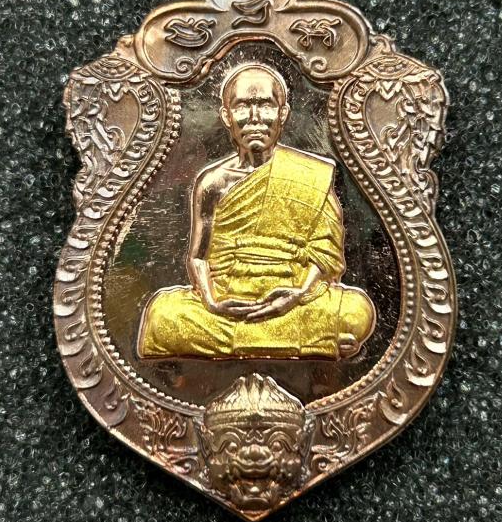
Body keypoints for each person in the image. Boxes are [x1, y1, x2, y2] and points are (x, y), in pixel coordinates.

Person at [137, 62, 375, 359]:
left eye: (265, 105)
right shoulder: (212, 183)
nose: (254, 118)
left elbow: (325, 252)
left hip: (293, 296)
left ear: (283, 113)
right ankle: (312, 342)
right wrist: (212, 302)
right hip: (229, 300)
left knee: (356, 312)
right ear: (226, 116)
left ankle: (263, 339)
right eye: (242, 106)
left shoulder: (309, 174)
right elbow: (198, 257)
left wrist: (298, 293)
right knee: (164, 316)